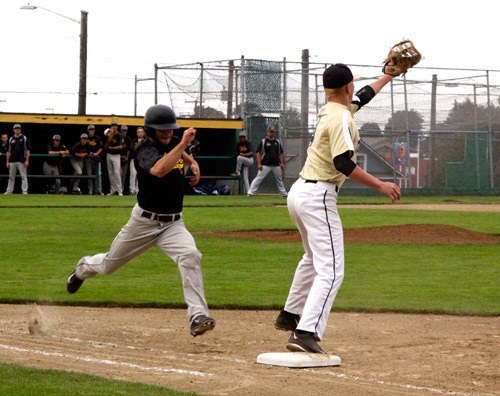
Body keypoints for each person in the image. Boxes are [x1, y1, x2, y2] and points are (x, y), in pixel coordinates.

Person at [274, 63, 401, 354]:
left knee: (311, 258)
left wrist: (389, 76)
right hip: (318, 195)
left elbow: (364, 96)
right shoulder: (341, 119)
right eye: (353, 85)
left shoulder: (331, 109)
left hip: (299, 192)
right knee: (331, 270)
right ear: (347, 88)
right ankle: (306, 332)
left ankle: (290, 314)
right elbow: (342, 163)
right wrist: (380, 185)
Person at [66, 104, 215, 337]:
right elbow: (158, 169)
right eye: (162, 130)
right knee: (108, 266)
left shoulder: (172, 141)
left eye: (170, 129)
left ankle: (198, 316)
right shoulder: (143, 148)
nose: (167, 133)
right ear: (150, 130)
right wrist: (183, 145)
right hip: (143, 223)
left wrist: (191, 161)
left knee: (190, 255)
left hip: (173, 224)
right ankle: (83, 268)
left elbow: (179, 151)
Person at [247, 125, 287, 197]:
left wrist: (282, 163)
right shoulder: (263, 141)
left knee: (279, 179)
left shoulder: (277, 142)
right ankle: (250, 192)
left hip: (276, 165)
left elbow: (280, 153)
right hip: (265, 164)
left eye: (273, 132)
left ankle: (284, 194)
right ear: (267, 132)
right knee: (258, 178)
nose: (272, 133)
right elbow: (258, 153)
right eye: (270, 132)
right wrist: (259, 164)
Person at [4, 124, 31, 195]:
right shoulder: (11, 139)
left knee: (24, 177)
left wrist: (27, 160)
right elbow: (8, 151)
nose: (17, 130)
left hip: (22, 160)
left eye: (18, 128)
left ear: (20, 129)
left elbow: (28, 150)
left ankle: (24, 191)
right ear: (13, 130)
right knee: (11, 177)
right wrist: (7, 161)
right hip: (12, 161)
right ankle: (9, 191)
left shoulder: (24, 138)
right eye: (16, 128)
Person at [104, 121, 124, 195]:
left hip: (116, 155)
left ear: (117, 127)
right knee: (110, 173)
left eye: (115, 126)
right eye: (113, 126)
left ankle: (119, 191)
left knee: (117, 173)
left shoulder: (119, 135)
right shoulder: (108, 134)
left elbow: (121, 146)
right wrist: (109, 138)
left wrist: (112, 148)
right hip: (109, 155)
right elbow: (105, 147)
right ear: (111, 127)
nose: (114, 127)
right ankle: (113, 190)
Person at [85, 124, 103, 195]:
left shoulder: (97, 138)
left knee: (98, 174)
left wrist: (96, 153)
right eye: (90, 130)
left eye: (92, 130)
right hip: (88, 158)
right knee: (89, 174)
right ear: (88, 130)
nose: (91, 131)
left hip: (96, 158)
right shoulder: (85, 138)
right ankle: (90, 190)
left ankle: (99, 190)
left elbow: (101, 148)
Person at [128, 126, 145, 195]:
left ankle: (138, 190)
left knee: (140, 175)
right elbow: (132, 149)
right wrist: (139, 143)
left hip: (143, 160)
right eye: (139, 132)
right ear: (136, 133)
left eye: (141, 132)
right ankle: (132, 190)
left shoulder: (146, 141)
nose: (140, 133)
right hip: (134, 159)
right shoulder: (134, 141)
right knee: (133, 174)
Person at [119, 125, 133, 193]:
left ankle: (122, 189)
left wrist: (127, 158)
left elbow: (129, 150)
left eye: (125, 130)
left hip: (125, 156)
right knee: (118, 174)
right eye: (123, 130)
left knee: (123, 175)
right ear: (121, 130)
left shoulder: (128, 139)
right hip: (118, 156)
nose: (124, 132)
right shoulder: (118, 137)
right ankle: (118, 189)